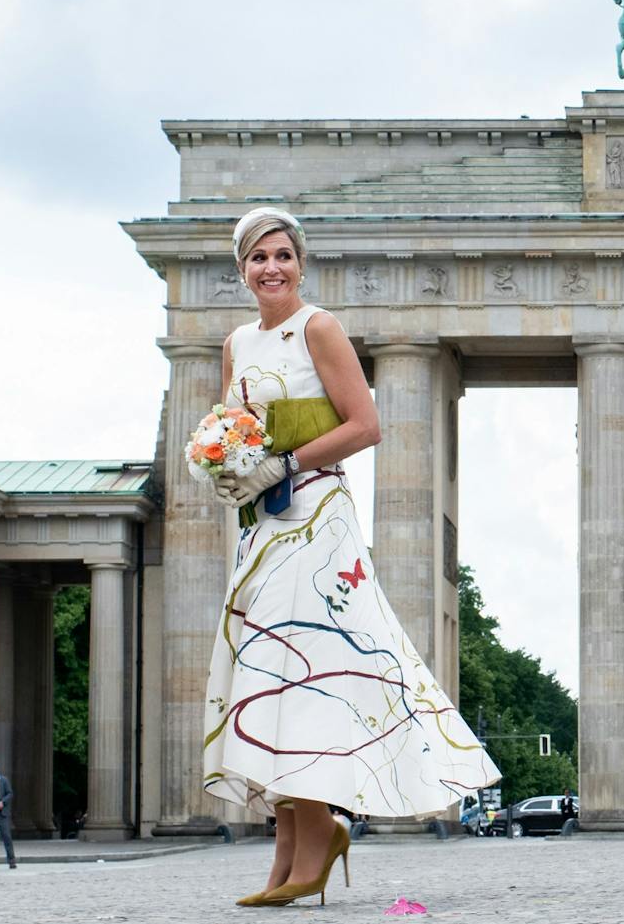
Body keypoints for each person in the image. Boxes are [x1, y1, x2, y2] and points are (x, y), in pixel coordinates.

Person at [203, 207, 500, 908]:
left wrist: (284, 463)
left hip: (316, 516)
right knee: (266, 666)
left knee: (308, 666)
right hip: (261, 523)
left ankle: (317, 836)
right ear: (240, 269)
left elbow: (366, 424)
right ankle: (293, 843)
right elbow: (228, 426)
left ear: (300, 262)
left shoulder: (320, 327)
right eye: (257, 258)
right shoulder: (235, 342)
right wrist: (224, 467)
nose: (271, 267)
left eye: (282, 255)